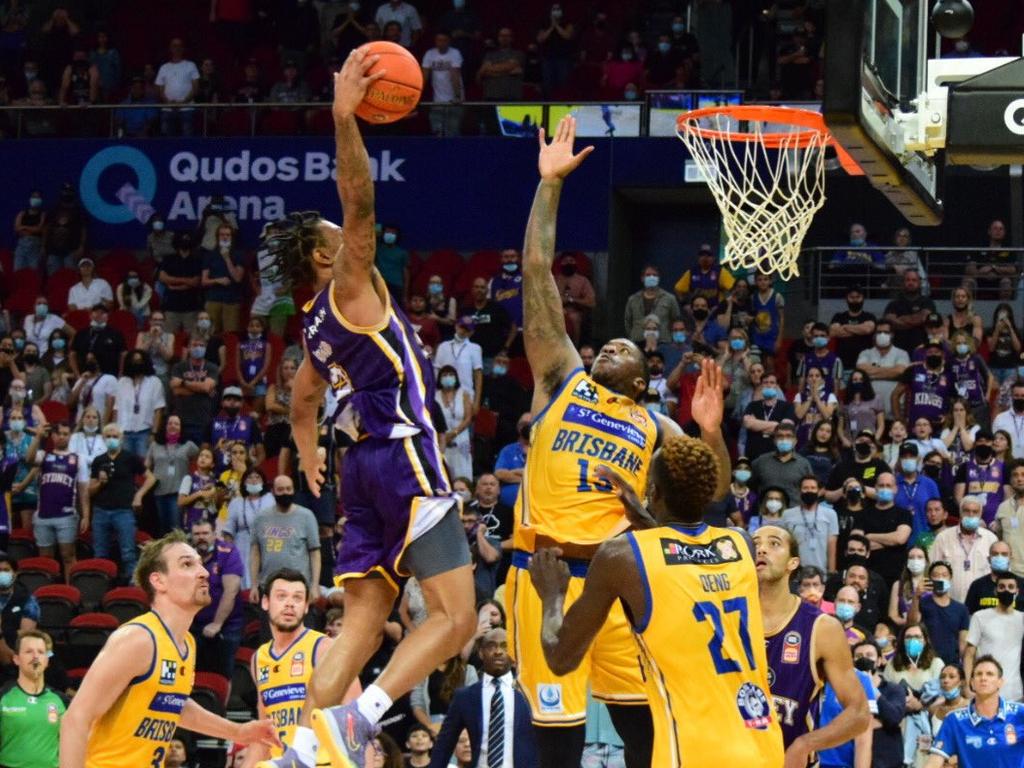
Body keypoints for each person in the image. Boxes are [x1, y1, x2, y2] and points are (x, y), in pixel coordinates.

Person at [255, 51, 478, 768]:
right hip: (403, 454)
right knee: (456, 617)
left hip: (358, 474)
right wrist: (344, 119)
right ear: (327, 259)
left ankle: (300, 750)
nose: (347, 240)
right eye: (334, 239)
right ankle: (364, 718)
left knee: (360, 624)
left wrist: (307, 447)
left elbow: (301, 396)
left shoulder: (314, 325)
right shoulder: (350, 285)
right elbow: (360, 202)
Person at [506, 118, 730, 768]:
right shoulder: (560, 379)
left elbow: (708, 488)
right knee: (558, 740)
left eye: (623, 347)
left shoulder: (656, 424)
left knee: (645, 734)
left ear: (643, 376)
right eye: (606, 341)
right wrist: (549, 186)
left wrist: (711, 433)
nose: (609, 344)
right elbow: (535, 271)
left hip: (619, 578)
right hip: (544, 573)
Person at [529, 425, 782, 767]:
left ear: (654, 491)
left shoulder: (622, 557)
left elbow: (561, 657)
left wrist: (552, 596)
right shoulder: (740, 543)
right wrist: (648, 517)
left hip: (694, 753)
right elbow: (687, 561)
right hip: (762, 744)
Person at [59, 531, 279, 764]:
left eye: (200, 564)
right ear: (158, 581)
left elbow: (174, 704)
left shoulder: (186, 643)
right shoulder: (138, 639)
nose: (203, 572)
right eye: (187, 564)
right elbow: (76, 718)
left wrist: (238, 732)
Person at [755, 525, 871, 762]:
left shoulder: (821, 627)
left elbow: (859, 713)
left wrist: (804, 744)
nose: (762, 549)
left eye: (774, 543)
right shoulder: (727, 620)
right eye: (755, 544)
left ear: (792, 563)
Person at [247, 568, 359, 765]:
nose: (290, 604)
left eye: (297, 598)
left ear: (306, 606)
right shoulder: (259, 658)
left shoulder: (324, 648)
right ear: (265, 602)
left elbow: (356, 716)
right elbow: (264, 730)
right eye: (281, 596)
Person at [426, 628, 537, 768]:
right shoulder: (465, 697)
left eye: (505, 646)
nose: (498, 651)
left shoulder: (530, 693)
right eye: (491, 646)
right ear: (480, 653)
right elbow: (444, 746)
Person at [925, 656, 1024, 768]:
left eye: (990, 674)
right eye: (978, 674)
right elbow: (933, 763)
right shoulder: (955, 720)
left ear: (1000, 682)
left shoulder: (1020, 713)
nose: (983, 678)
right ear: (971, 683)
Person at [89, 423, 156, 579]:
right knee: (100, 554)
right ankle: (101, 589)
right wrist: (100, 482)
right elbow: (90, 490)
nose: (112, 439)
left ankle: (132, 591)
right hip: (101, 511)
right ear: (103, 439)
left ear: (121, 438)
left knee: (128, 554)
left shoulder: (130, 458)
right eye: (108, 436)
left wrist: (139, 495)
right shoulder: (98, 460)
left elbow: (151, 478)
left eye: (115, 436)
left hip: (124, 511)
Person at [0, 630, 66, 768]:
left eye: (41, 652)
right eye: (29, 651)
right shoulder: (4, 697)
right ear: (16, 659)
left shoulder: (61, 701)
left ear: (47, 661)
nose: (35, 656)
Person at [188, 519, 243, 681]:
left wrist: (217, 623)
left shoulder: (228, 552)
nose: (201, 538)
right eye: (197, 534)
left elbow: (231, 591)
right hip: (194, 624)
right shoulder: (186, 554)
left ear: (214, 535)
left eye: (205, 533)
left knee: (223, 676)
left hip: (227, 625)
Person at [964, 573, 1024, 700]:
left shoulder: (1022, 619)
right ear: (995, 591)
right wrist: (968, 684)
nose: (1006, 590)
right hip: (983, 691)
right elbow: (969, 654)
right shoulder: (979, 617)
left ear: (1017, 591)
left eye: (1010, 587)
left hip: (1015, 693)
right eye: (1002, 587)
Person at [31, 422, 82, 576]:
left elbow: (83, 489)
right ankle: (47, 594)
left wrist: (86, 515)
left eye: (65, 434)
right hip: (43, 515)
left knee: (68, 556)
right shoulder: (44, 455)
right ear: (53, 436)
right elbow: (29, 458)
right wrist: (38, 436)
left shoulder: (77, 458)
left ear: (70, 436)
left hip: (66, 516)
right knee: (45, 560)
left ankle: (71, 594)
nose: (61, 437)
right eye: (58, 433)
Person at [930, 496, 998, 602]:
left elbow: (998, 573)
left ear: (980, 515)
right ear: (960, 513)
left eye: (975, 512)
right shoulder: (943, 538)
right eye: (967, 511)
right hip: (950, 603)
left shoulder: (991, 539)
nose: (971, 515)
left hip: (982, 605)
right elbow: (933, 572)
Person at [908, 560, 969, 667]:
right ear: (930, 579)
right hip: (926, 662)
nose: (940, 578)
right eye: (936, 575)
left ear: (950, 578)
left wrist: (964, 667)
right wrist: (916, 596)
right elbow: (912, 623)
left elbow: (962, 642)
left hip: (951, 665)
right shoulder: (922, 603)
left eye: (944, 575)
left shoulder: (961, 609)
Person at [781, 474, 839, 573]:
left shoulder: (830, 514)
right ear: (800, 491)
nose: (809, 491)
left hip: (821, 571)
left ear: (819, 491)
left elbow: (832, 545)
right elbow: (784, 544)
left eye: (813, 488)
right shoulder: (787, 515)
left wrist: (831, 571)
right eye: (805, 488)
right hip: (795, 571)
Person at [856, 320, 910, 418]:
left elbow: (900, 371)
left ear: (892, 335)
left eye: (886, 332)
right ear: (874, 335)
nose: (882, 335)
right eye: (879, 332)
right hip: (869, 412)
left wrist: (872, 373)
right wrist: (890, 371)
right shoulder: (865, 353)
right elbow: (861, 370)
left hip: (893, 411)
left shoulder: (902, 353)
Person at [433, 317, 484, 414]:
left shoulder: (475, 348)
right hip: (443, 395)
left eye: (467, 329)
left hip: (466, 395)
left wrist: (477, 401)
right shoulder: (443, 346)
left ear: (471, 332)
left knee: (465, 426)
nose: (463, 331)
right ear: (456, 326)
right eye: (461, 327)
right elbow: (436, 373)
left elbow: (478, 376)